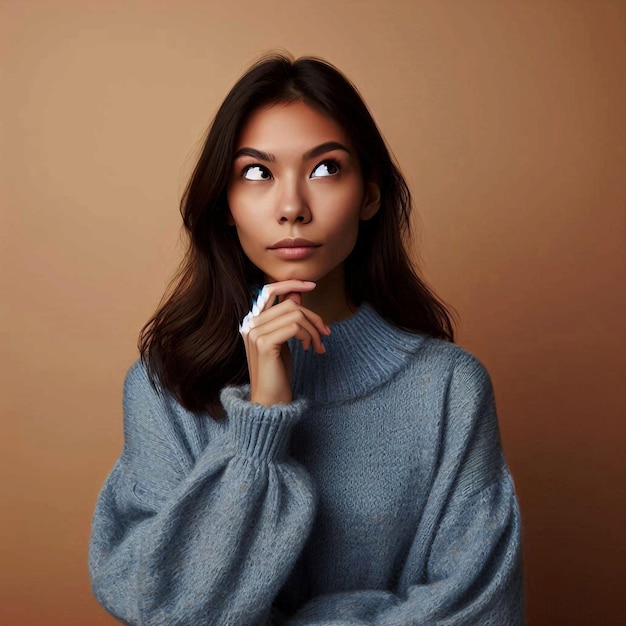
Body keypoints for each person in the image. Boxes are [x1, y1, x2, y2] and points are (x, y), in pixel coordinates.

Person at [89, 54, 524, 625]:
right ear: (225, 204)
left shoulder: (449, 389)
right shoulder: (163, 386)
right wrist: (260, 421)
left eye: (324, 170)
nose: (292, 207)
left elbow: (482, 611)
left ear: (369, 195)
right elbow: (157, 603)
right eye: (257, 174)